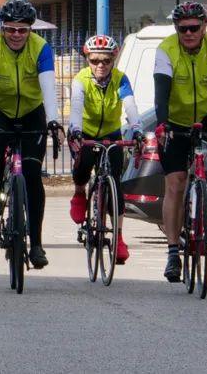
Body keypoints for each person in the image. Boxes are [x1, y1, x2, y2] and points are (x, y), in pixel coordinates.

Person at [153, 1, 207, 283]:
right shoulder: (165, 50)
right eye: (183, 29)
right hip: (176, 118)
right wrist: (163, 124)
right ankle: (172, 252)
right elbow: (161, 93)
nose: (189, 33)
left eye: (194, 27)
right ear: (176, 29)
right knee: (175, 184)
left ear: (205, 26)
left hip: (206, 111)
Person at [0, 0, 63, 269]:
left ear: (31, 30)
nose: (16, 35)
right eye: (10, 29)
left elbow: (48, 86)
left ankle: (36, 244)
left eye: (22, 30)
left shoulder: (41, 49)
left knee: (33, 176)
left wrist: (55, 120)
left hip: (32, 111)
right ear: (2, 29)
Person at [67, 35, 142, 264]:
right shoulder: (80, 79)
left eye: (106, 61)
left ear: (113, 60)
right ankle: (80, 193)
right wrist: (76, 130)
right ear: (87, 60)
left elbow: (129, 104)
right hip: (86, 132)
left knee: (115, 186)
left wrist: (137, 128)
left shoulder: (120, 79)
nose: (100, 65)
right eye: (95, 60)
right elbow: (77, 106)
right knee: (82, 169)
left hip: (111, 134)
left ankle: (118, 237)